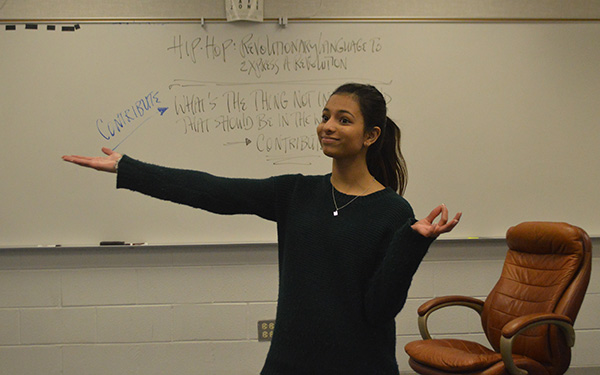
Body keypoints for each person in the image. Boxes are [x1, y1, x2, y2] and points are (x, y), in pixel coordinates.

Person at [63, 83, 461, 375]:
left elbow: (380, 309)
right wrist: (128, 168)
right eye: (324, 117)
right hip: (290, 360)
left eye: (343, 119)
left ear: (371, 136)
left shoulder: (393, 211)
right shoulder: (296, 193)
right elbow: (214, 191)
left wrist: (413, 244)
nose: (328, 126)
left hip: (361, 363)